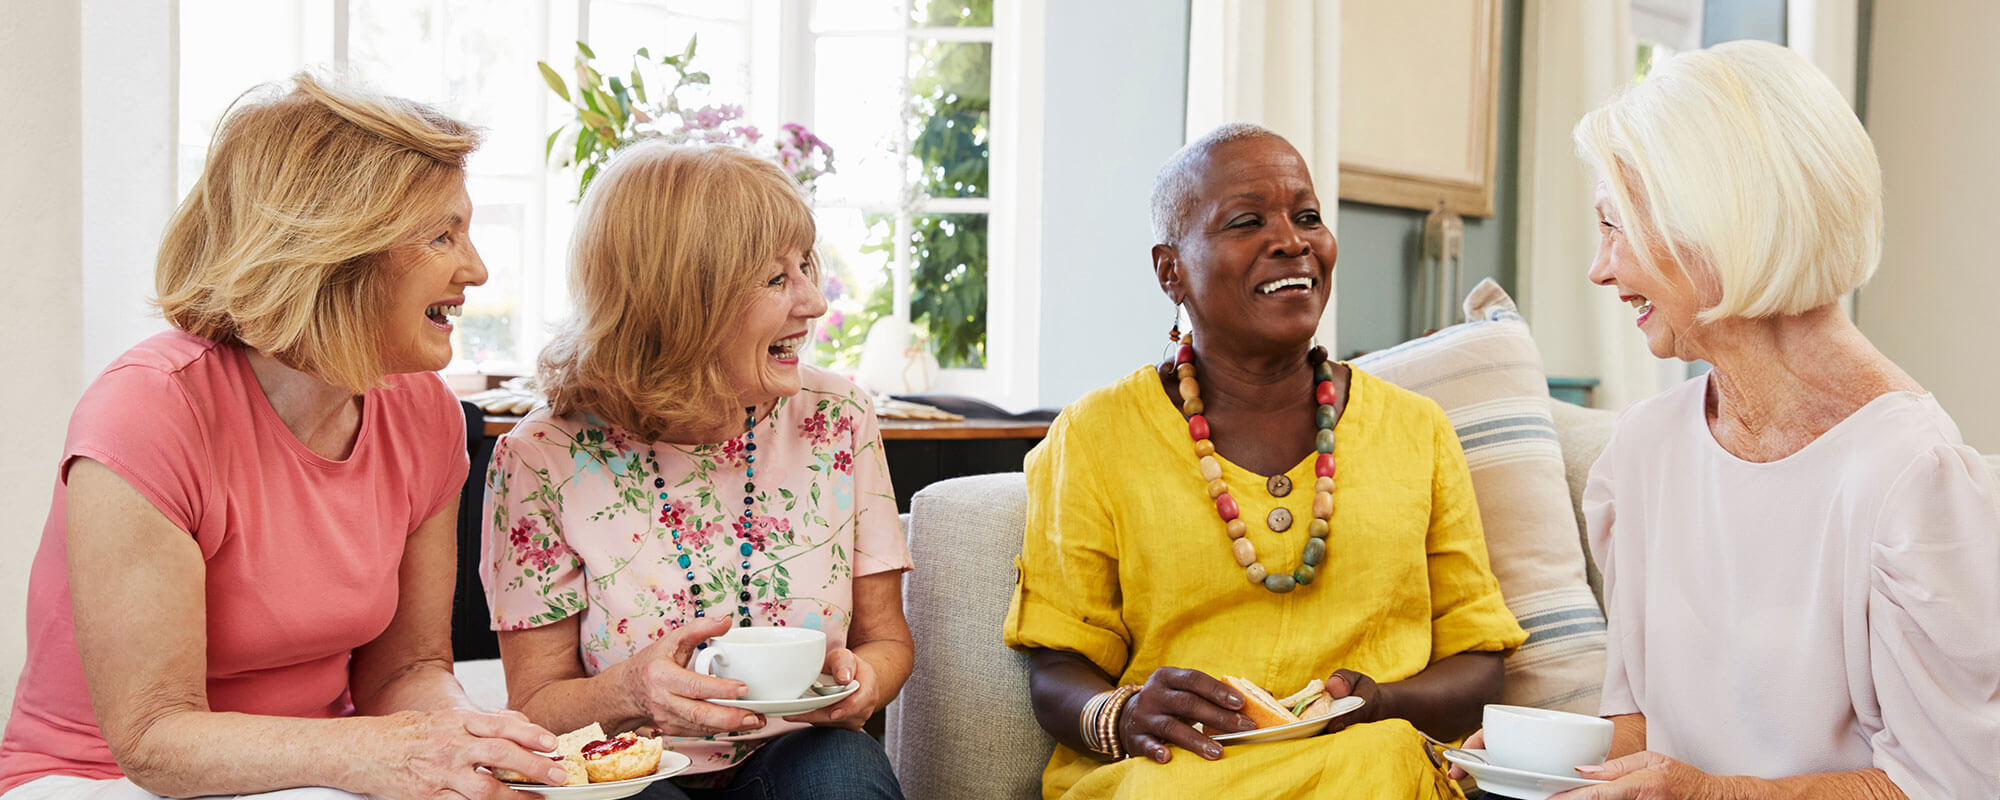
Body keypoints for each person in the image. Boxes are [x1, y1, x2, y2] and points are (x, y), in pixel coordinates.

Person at [0, 74, 569, 799]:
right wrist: (386, 755)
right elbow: (153, 739)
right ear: (337, 248)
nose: (476, 269)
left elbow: (404, 674)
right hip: (101, 779)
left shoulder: (424, 412)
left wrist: (462, 742)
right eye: (441, 235)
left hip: (319, 775)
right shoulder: (149, 411)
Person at [1460, 40, 2000, 800]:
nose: (1600, 267)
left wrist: (1713, 794)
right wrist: (1534, 754)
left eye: (1614, 227)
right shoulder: (1642, 455)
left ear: (1708, 220)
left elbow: (1951, 787)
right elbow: (1649, 729)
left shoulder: (1912, 479)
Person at [1002, 123, 1528, 799]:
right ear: (1171, 271)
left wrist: (1382, 704)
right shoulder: (1095, 434)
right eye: (1247, 221)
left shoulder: (1416, 429)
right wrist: (1124, 714)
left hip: (1367, 764)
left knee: (1377, 761)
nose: (1292, 239)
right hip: (1180, 774)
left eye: (1307, 217)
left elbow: (1479, 661)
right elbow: (1057, 664)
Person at [481, 141, 912, 799]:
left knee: (842, 773)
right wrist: (628, 691)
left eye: (806, 266)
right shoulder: (542, 458)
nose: (814, 303)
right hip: (633, 768)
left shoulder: (838, 417)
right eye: (776, 279)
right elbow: (535, 707)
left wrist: (867, 683)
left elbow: (888, 641)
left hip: (798, 756)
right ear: (681, 303)